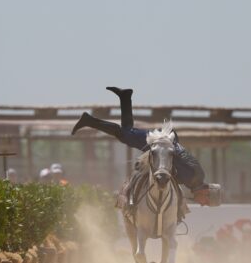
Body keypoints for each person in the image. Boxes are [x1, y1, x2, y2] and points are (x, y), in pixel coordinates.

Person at [71, 87, 211, 219]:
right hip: (161, 144)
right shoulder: (193, 178)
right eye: (206, 201)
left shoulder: (195, 179)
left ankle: (125, 97)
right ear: (206, 193)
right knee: (124, 134)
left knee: (127, 132)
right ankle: (88, 120)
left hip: (163, 144)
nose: (203, 204)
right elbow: (171, 167)